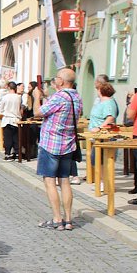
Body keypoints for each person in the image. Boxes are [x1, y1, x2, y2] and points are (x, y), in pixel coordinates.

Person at [32, 67, 82, 231]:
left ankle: (57, 219)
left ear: (61, 81)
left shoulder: (59, 97)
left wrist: (36, 97)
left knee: (50, 182)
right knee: (65, 180)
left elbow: (38, 112)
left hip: (51, 143)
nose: (54, 81)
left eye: (56, 78)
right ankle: (68, 220)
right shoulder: (76, 97)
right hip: (68, 144)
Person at [0, 81, 22, 160]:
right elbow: (20, 108)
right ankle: (17, 153)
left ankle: (7, 154)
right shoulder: (18, 97)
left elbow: (1, 108)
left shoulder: (5, 97)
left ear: (8, 87)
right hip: (16, 119)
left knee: (7, 138)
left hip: (7, 119)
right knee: (16, 138)